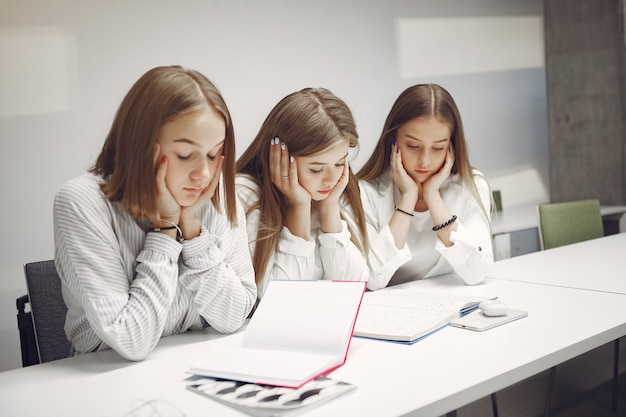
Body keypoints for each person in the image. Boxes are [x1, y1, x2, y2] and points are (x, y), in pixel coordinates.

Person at [53, 65, 257, 360]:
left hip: (196, 367)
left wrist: (191, 229)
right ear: (140, 146)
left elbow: (234, 316)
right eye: (185, 155)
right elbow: (131, 341)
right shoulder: (81, 202)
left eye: (213, 155)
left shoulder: (216, 197)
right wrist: (165, 231)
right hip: (106, 379)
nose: (203, 173)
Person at [356, 83, 493, 290]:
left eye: (438, 148)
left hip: (448, 305)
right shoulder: (366, 192)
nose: (425, 161)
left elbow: (476, 273)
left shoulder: (472, 185)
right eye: (413, 146)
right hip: (389, 312)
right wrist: (408, 198)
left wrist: (433, 196)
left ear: (452, 146)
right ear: (393, 141)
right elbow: (371, 280)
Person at [236, 87, 369, 297]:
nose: (331, 179)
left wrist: (329, 209)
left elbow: (352, 286)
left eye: (340, 163)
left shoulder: (335, 189)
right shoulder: (244, 194)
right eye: (316, 169)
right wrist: (299, 206)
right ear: (279, 157)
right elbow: (279, 297)